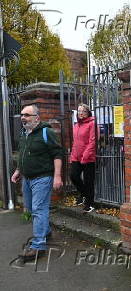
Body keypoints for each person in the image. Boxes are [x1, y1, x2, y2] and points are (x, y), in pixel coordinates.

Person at [11, 104, 63, 262]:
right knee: (31, 207)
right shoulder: (24, 133)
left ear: (37, 118)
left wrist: (57, 176)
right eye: (22, 115)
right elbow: (23, 154)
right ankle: (45, 232)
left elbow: (57, 153)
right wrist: (18, 170)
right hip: (27, 178)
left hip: (43, 178)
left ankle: (38, 246)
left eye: (27, 115)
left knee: (39, 209)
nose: (23, 117)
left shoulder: (47, 132)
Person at [70, 104, 97, 213]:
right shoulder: (76, 125)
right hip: (76, 157)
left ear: (88, 113)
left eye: (83, 111)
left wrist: (85, 155)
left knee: (89, 181)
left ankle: (90, 203)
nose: (81, 113)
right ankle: (84, 194)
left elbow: (93, 141)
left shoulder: (92, 124)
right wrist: (72, 155)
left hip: (88, 158)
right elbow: (75, 142)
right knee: (73, 176)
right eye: (79, 111)